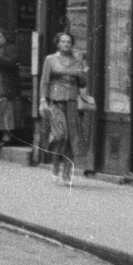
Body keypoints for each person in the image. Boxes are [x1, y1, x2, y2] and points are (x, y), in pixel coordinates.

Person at [40, 30, 89, 181]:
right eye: (63, 41)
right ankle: (55, 165)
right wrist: (43, 99)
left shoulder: (78, 62)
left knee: (72, 138)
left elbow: (83, 83)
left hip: (72, 102)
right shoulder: (50, 59)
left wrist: (81, 74)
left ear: (72, 44)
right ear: (58, 43)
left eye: (69, 42)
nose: (66, 44)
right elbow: (45, 81)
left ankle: (67, 173)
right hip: (55, 102)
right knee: (61, 135)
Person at [0, 29, 21, 148]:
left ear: (5, 37)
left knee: (6, 110)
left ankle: (7, 136)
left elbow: (13, 62)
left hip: (6, 84)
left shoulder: (10, 48)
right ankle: (0, 135)